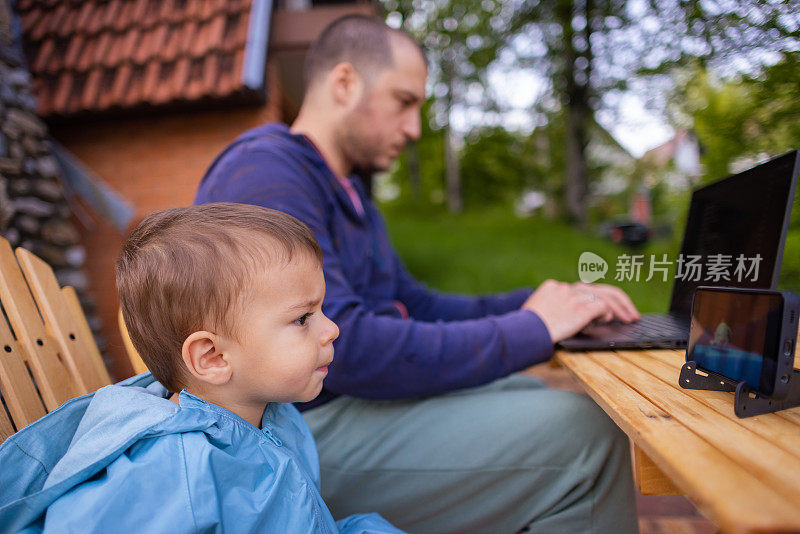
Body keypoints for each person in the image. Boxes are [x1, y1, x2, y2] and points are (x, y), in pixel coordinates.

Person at [195, 15, 641, 533]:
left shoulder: (350, 193)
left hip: (338, 413)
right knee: (583, 439)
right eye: (404, 102)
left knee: (540, 400)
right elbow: (345, 349)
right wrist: (533, 330)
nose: (414, 129)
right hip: (288, 438)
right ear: (345, 83)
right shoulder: (266, 176)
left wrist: (541, 306)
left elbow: (414, 304)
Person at [0, 203, 403, 534]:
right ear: (212, 357)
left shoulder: (273, 417)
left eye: (321, 309)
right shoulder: (171, 468)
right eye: (302, 318)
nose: (331, 329)